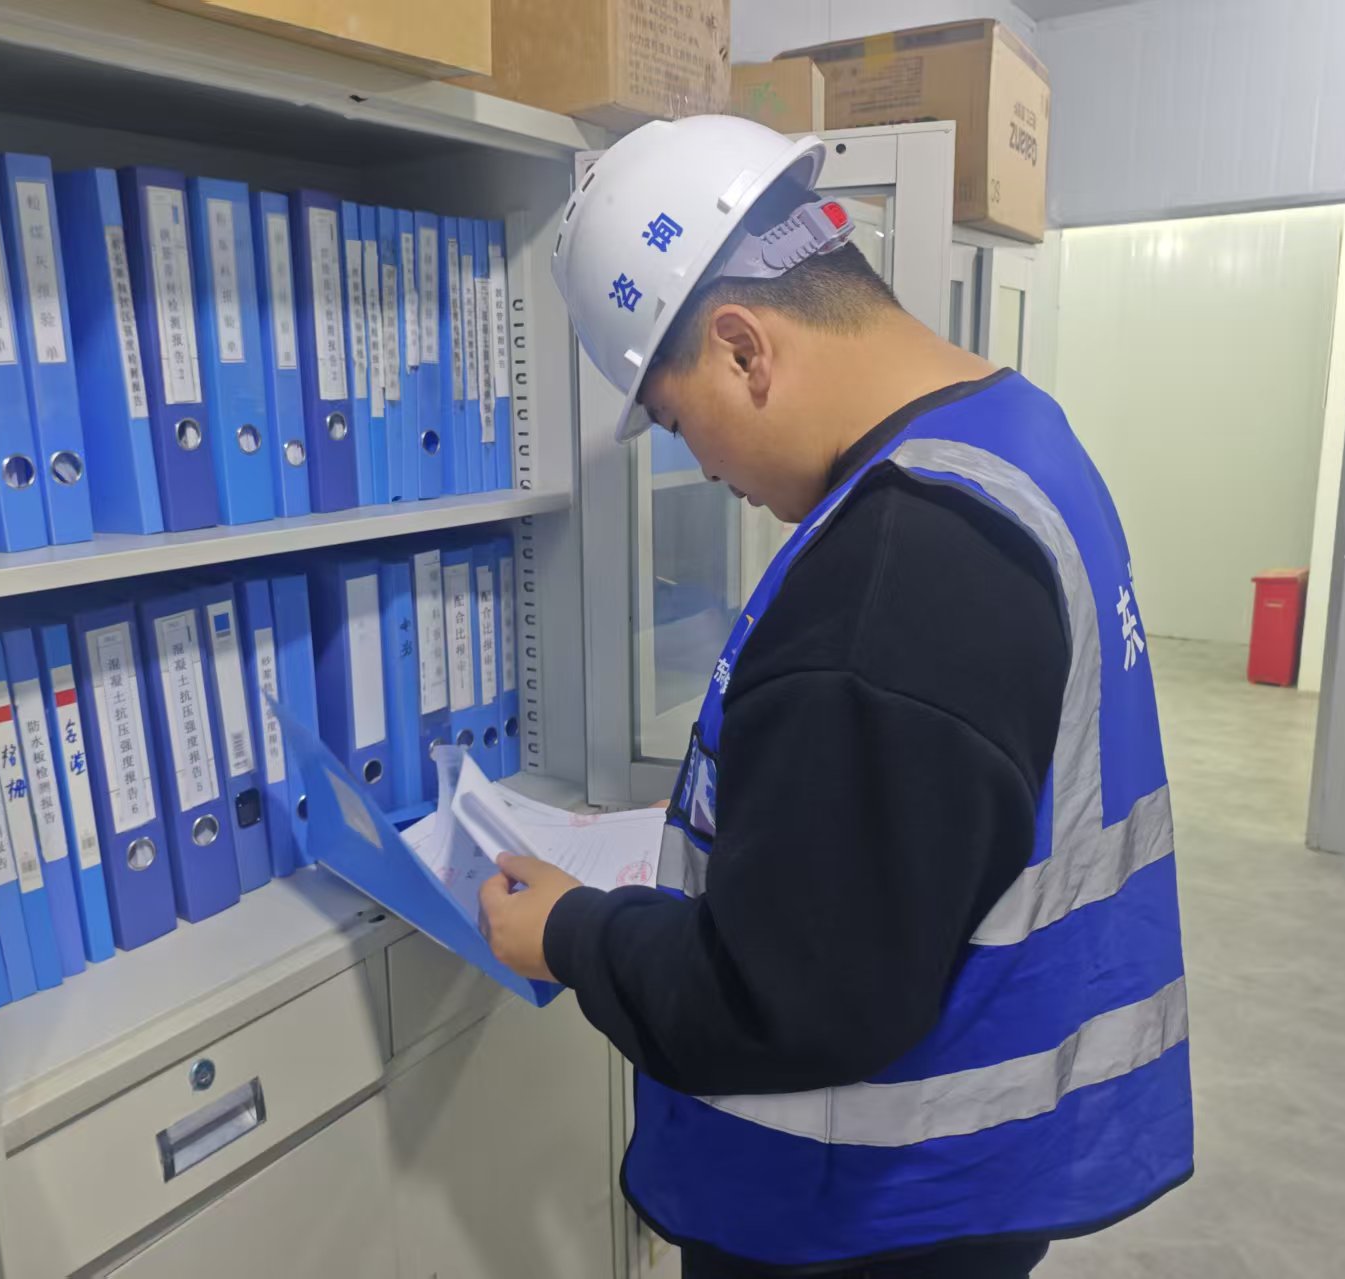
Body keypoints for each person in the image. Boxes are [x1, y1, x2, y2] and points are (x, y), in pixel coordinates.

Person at [477, 116, 1194, 1278]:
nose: (700, 466)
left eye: (676, 421)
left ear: (742, 349)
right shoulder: (1012, 432)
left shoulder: (888, 580)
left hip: (870, 1216)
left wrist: (566, 931)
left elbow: (778, 1002)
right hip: (973, 1177)